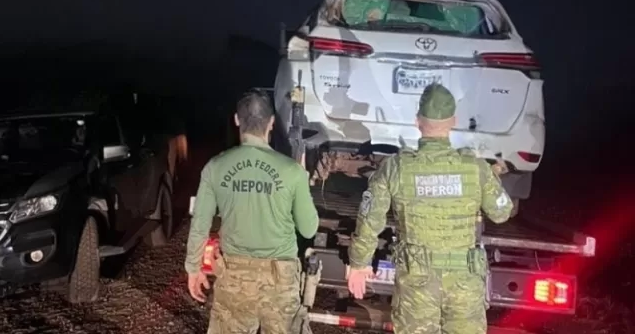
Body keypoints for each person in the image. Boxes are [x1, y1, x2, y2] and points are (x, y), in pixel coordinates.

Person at [346, 83, 513, 334]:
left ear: (417, 121)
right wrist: (492, 175)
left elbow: (370, 218)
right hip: (464, 283)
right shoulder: (475, 167)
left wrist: (359, 263)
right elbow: (501, 212)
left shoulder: (396, 167)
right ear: (453, 121)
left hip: (417, 281)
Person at [185, 88, 320, 333]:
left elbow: (200, 224)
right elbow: (309, 228)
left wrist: (193, 268)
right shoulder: (291, 171)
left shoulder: (215, 167)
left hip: (234, 280)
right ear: (271, 122)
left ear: (237, 120)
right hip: (280, 282)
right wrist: (303, 181)